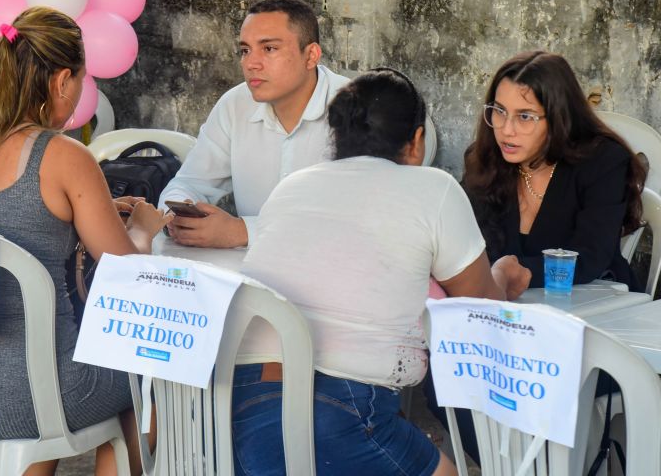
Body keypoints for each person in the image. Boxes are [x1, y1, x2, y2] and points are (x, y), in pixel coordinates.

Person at [0, 7, 170, 476]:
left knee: (47, 347)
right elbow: (127, 274)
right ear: (63, 80)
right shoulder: (63, 156)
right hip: (32, 395)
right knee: (144, 379)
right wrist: (143, 227)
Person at [232, 69, 531, 476]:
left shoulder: (291, 186)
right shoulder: (434, 189)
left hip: (237, 403)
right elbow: (480, 307)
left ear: (336, 137)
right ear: (417, 141)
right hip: (343, 408)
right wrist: (504, 275)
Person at [159, 0, 350, 248]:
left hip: (335, 275)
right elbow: (190, 183)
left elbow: (360, 222)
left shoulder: (358, 111)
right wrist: (177, 217)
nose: (251, 63)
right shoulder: (235, 104)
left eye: (269, 48)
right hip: (248, 274)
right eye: (245, 50)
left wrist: (243, 231)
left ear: (311, 55)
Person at [462, 51, 646, 291]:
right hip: (508, 309)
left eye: (525, 116)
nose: (506, 130)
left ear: (559, 118)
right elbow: (462, 239)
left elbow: (590, 257)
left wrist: (519, 273)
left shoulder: (604, 162)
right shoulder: (485, 159)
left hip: (593, 302)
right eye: (499, 111)